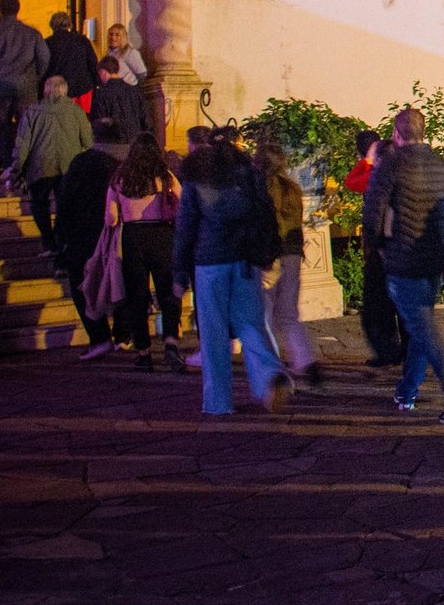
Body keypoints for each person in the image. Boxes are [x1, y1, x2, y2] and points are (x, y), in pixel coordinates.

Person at [365, 106, 444, 424]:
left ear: (397, 134)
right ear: (424, 133)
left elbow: (373, 214)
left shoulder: (390, 165)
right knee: (419, 325)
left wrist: (377, 248)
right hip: (436, 262)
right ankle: (407, 391)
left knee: (423, 328)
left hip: (403, 258)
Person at [172, 129, 292, 415]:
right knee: (251, 324)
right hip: (244, 259)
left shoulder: (196, 178)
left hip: (209, 261)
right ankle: (269, 375)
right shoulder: (247, 174)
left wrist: (178, 274)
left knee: (213, 333)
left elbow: (185, 228)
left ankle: (218, 402)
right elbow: (264, 212)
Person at [106, 132, 186, 372]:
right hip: (162, 235)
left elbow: (110, 218)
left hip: (133, 237)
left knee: (137, 296)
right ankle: (171, 342)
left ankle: (143, 353)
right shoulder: (165, 176)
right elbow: (183, 204)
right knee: (168, 292)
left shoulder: (120, 178)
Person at [54, 120, 131, 358]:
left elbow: (66, 200)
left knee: (82, 285)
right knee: (124, 281)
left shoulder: (83, 162)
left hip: (86, 232)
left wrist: (61, 235)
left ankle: (99, 337)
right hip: (123, 232)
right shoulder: (131, 163)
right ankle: (124, 334)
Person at [255, 142, 320, 385]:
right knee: (289, 314)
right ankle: (304, 360)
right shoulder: (293, 187)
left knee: (265, 313)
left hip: (271, 254)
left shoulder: (263, 187)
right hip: (293, 253)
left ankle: (272, 366)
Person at [14, 75, 93, 252]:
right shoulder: (76, 111)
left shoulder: (33, 111)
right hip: (68, 168)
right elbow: (88, 142)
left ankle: (48, 242)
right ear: (65, 90)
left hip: (40, 168)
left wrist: (16, 170)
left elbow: (22, 144)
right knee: (65, 208)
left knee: (39, 205)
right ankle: (61, 244)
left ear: (46, 90)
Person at [349, 130, 406, 367]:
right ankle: (406, 352)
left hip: (384, 249)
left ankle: (389, 351)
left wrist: (367, 161)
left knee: (378, 305)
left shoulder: (379, 175)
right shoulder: (403, 172)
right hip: (403, 248)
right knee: (401, 305)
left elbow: (352, 182)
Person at [0, 0, 50, 172]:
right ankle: (27, 165)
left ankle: (9, 166)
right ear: (18, 9)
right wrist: (36, 78)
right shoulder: (31, 33)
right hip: (26, 87)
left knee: (2, 128)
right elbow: (44, 58)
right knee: (27, 126)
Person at [43, 12, 99, 113]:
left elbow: (43, 67)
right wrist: (97, 83)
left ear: (52, 25)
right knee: (83, 120)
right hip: (82, 88)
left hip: (58, 90)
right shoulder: (82, 40)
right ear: (69, 24)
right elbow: (92, 63)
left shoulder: (47, 43)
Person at [89, 55, 148, 143]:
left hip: (113, 143)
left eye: (99, 73)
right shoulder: (134, 91)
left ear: (103, 72)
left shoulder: (101, 93)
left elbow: (99, 121)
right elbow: (145, 117)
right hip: (134, 142)